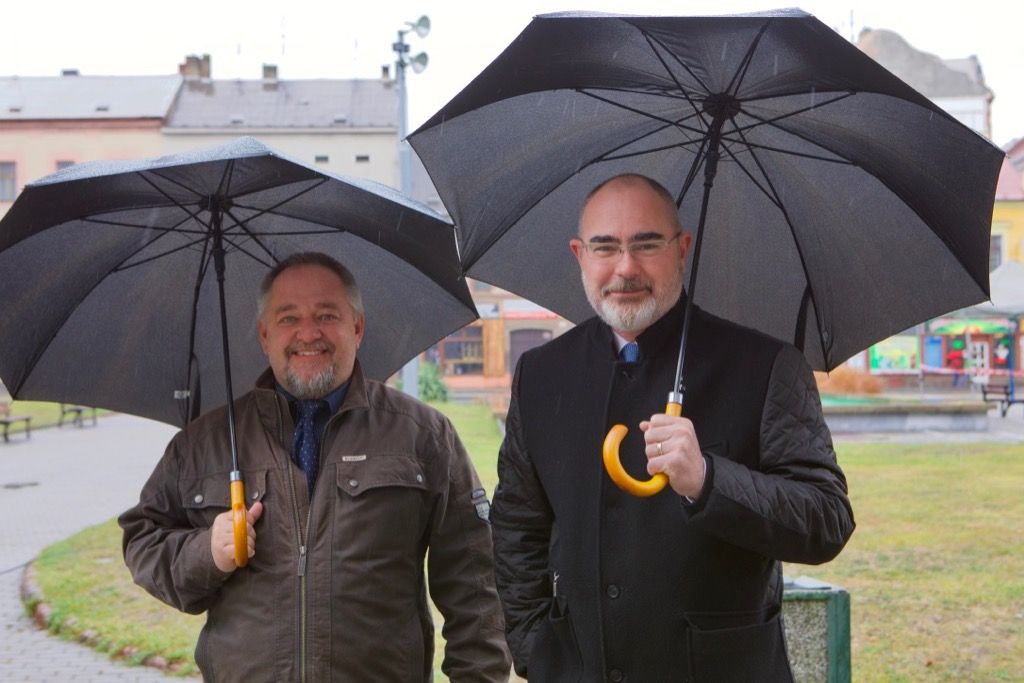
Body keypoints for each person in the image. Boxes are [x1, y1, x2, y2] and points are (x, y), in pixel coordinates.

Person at [490, 174, 855, 681]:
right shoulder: (542, 375)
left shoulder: (766, 367)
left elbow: (826, 520)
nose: (625, 267)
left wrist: (709, 481)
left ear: (683, 248)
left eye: (646, 244)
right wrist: (536, 650)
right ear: (579, 254)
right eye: (605, 247)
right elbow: (516, 527)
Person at [120, 252, 510, 681]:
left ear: (357, 328)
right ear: (264, 334)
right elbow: (143, 539)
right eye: (288, 319)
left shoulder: (422, 436)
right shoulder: (206, 442)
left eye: (327, 315)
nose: (309, 333)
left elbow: (477, 591)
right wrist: (206, 554)